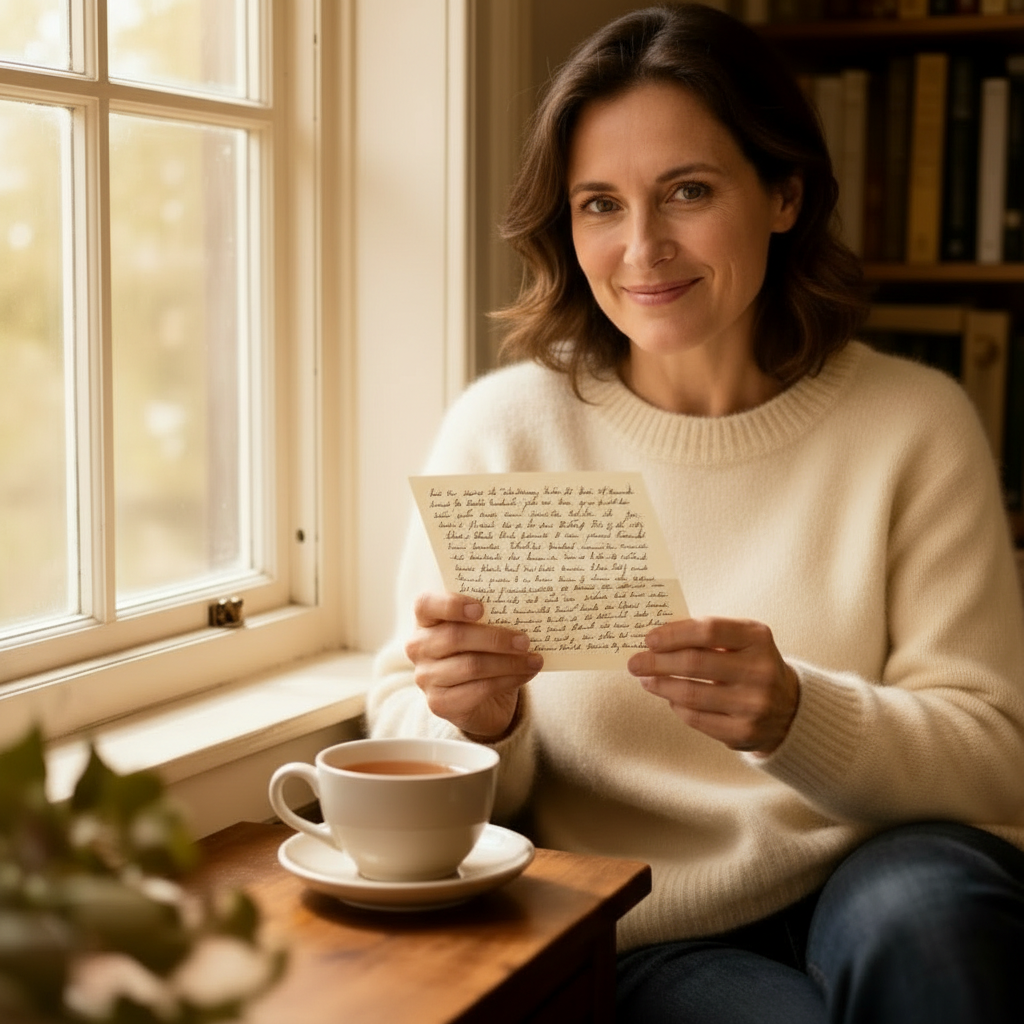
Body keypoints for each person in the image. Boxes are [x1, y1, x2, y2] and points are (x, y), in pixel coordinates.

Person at [368, 4, 1024, 1021]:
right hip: (640, 923)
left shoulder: (913, 424)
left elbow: (994, 755)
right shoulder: (508, 431)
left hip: (883, 866)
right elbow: (402, 725)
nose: (641, 248)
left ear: (783, 194)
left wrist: (800, 717)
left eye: (687, 191)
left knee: (932, 931)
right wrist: (480, 721)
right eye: (598, 204)